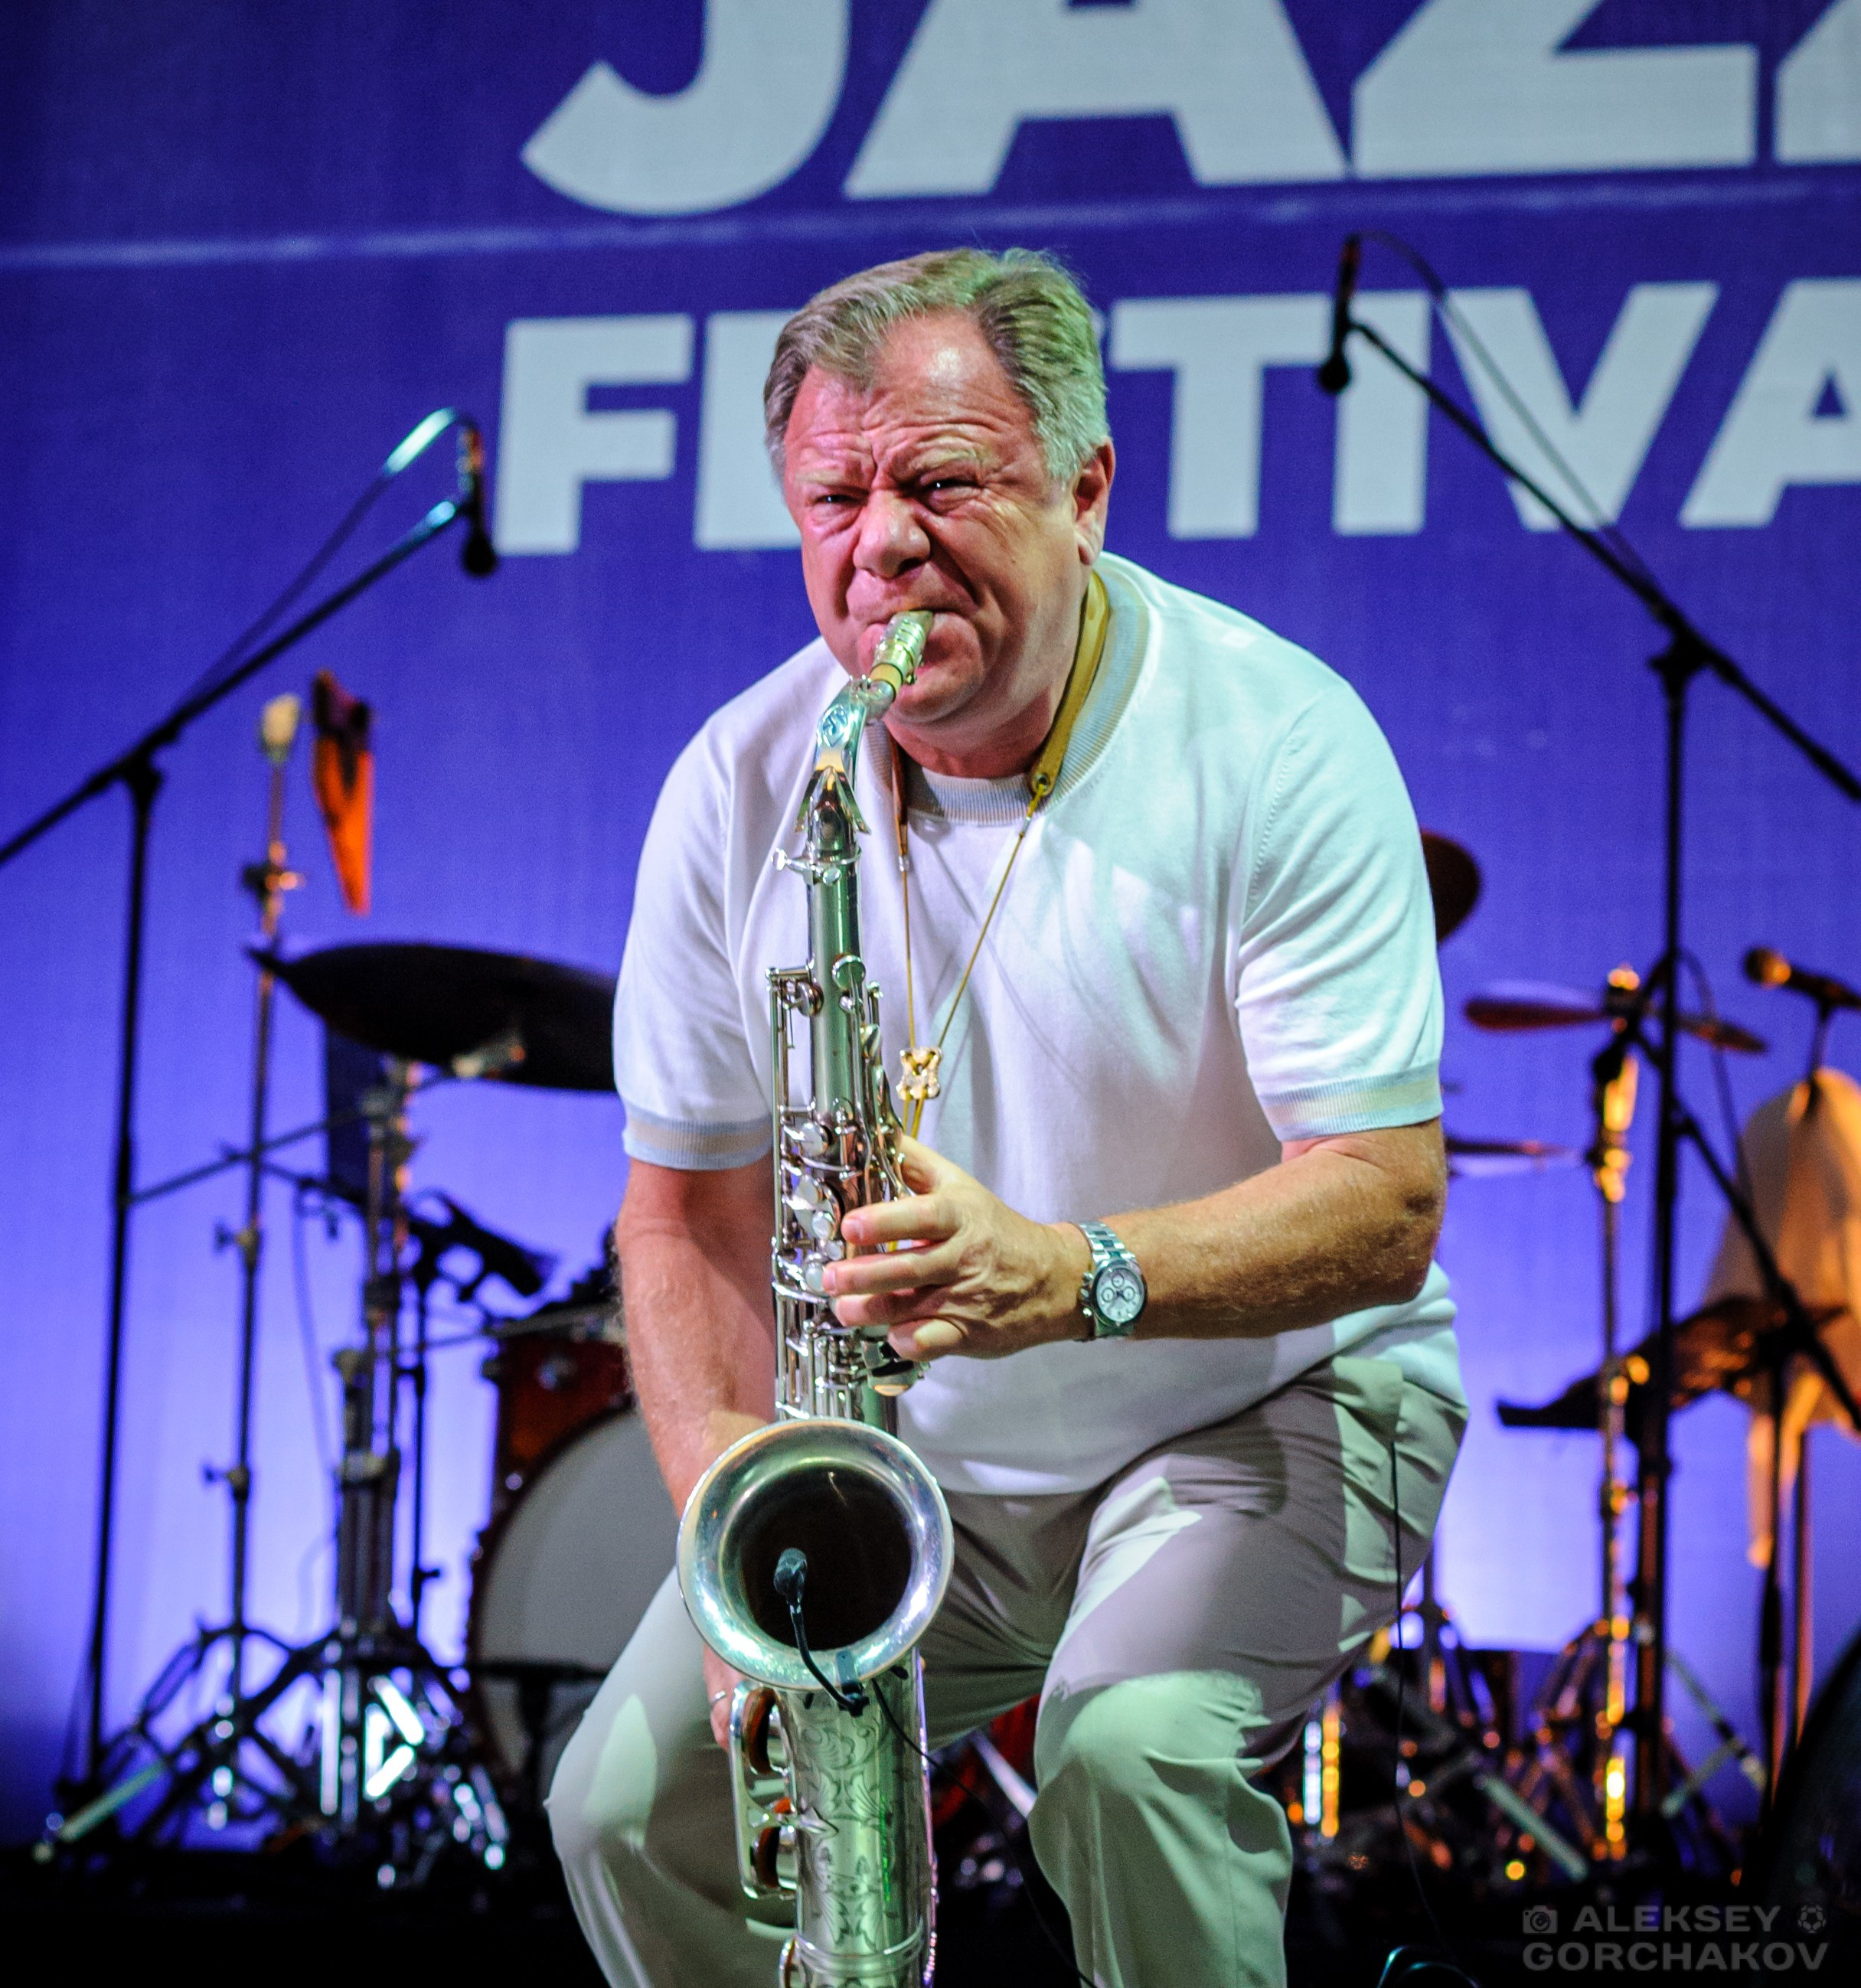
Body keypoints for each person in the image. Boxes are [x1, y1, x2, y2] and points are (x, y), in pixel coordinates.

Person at [550, 246, 1464, 1988]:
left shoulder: (1278, 741)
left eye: (943, 483)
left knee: (1130, 1760)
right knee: (627, 1806)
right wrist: (727, 1497)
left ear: (1086, 494)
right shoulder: (744, 779)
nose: (880, 546)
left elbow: (1384, 1200)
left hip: (1265, 1403)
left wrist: (1068, 1272)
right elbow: (682, 1211)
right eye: (835, 499)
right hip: (928, 1470)